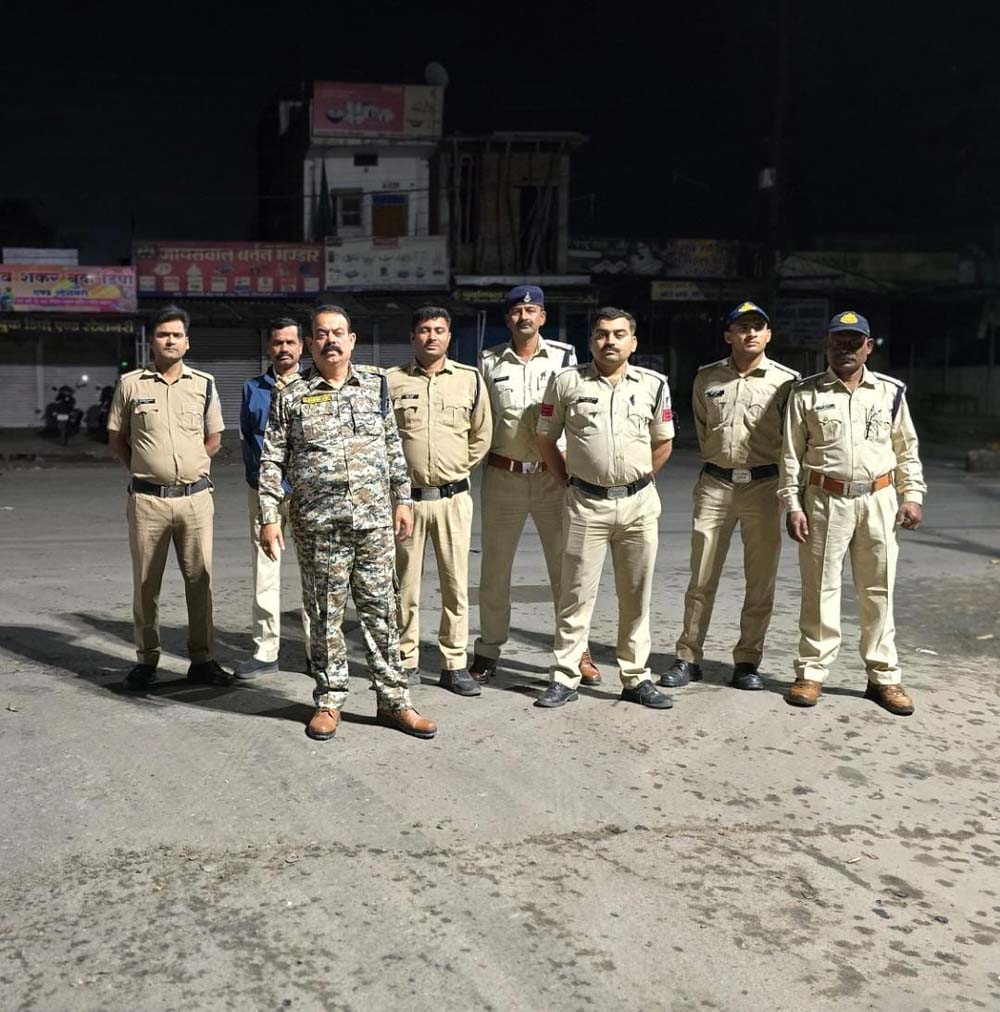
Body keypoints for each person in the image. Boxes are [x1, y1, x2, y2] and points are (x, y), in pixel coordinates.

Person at [258, 304, 437, 741]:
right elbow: (272, 458)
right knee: (324, 616)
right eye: (321, 334)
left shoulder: (375, 385)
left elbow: (392, 445)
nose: (330, 341)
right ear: (310, 343)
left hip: (373, 523)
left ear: (352, 340)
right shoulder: (291, 393)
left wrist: (403, 499)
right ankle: (329, 699)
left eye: (338, 333)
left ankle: (394, 700)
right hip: (319, 526)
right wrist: (268, 516)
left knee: (382, 612)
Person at [779, 310, 926, 715]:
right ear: (826, 345)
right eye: (838, 342)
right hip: (824, 500)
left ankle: (884, 677)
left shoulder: (890, 392)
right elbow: (790, 456)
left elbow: (906, 449)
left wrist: (912, 495)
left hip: (879, 500)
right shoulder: (805, 393)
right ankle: (811, 672)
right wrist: (792, 504)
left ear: (868, 346)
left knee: (878, 589)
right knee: (819, 589)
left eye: (853, 342)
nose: (845, 349)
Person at [534, 307, 675, 709]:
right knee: (576, 594)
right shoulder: (566, 382)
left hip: (638, 506)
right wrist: (567, 480)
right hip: (585, 505)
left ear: (633, 341)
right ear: (591, 340)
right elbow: (546, 438)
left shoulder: (653, 384)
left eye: (618, 334)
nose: (609, 341)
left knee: (636, 594)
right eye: (601, 334)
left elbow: (663, 442)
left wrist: (637, 481)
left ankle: (636, 676)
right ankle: (566, 676)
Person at [662, 301, 800, 692]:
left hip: (763, 486)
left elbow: (793, 440)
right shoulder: (707, 377)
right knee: (702, 576)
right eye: (742, 327)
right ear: (728, 335)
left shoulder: (787, 382)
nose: (750, 333)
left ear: (769, 335)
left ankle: (747, 661)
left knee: (760, 580)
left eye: (758, 327)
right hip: (716, 484)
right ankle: (688, 657)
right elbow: (703, 427)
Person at [471, 285, 602, 686]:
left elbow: (576, 413)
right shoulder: (489, 360)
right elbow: (482, 418)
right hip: (503, 476)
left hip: (552, 477)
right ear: (508, 319)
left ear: (542, 317)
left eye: (531, 310)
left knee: (567, 569)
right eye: (517, 311)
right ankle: (488, 650)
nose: (524, 316)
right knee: (495, 571)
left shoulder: (564, 357)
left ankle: (577, 650)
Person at [108, 304, 232, 690]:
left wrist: (191, 467)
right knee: (147, 584)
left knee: (200, 581)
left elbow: (214, 439)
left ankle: (203, 659)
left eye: (177, 335)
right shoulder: (131, 384)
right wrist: (147, 469)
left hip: (195, 500)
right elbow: (117, 438)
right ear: (152, 341)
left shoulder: (204, 384)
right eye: (163, 335)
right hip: (148, 502)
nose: (170, 340)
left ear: (187, 342)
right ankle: (147, 660)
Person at [387, 307, 492, 696]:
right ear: (412, 337)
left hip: (453, 500)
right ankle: (406, 659)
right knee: (404, 586)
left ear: (449, 336)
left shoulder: (470, 379)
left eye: (439, 330)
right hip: (406, 502)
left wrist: (457, 469)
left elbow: (482, 434)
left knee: (455, 585)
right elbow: (382, 437)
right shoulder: (391, 381)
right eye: (424, 330)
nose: (431, 336)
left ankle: (454, 663)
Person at [234, 318, 311, 678]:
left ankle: (317, 650)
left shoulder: (314, 387)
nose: (284, 349)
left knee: (314, 573)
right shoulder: (252, 389)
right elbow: (247, 440)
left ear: (302, 347)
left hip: (306, 494)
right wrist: (260, 483)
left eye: (290, 342)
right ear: (269, 347)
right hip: (264, 495)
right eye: (278, 342)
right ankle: (266, 650)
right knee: (265, 572)